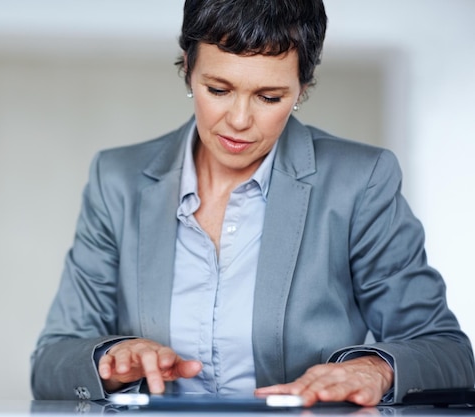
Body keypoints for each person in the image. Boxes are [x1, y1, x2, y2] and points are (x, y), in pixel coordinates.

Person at [30, 0, 475, 407]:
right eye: (218, 89)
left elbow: (447, 351)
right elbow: (52, 358)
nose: (239, 121)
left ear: (302, 87)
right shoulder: (118, 180)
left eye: (269, 97)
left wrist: (376, 369)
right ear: (188, 68)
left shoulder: (359, 182)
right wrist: (109, 360)